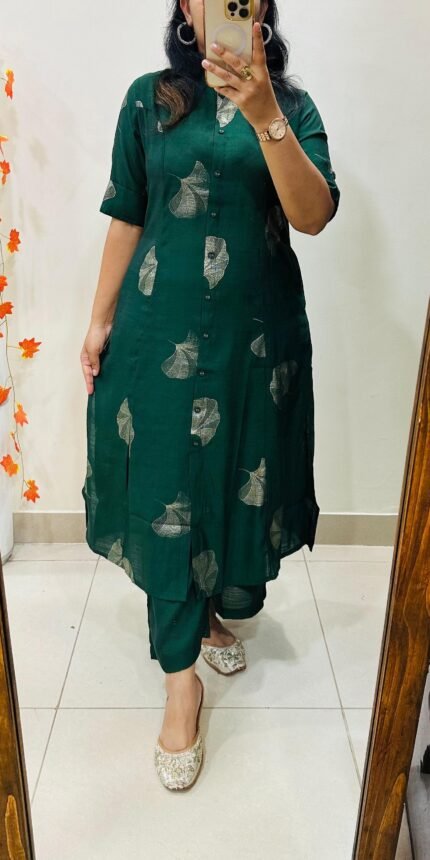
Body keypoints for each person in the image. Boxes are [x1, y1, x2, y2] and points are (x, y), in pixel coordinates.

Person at [80, 0, 340, 791]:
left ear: (259, 11)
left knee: (232, 477)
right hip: (157, 334)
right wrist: (98, 320)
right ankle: (179, 681)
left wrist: (265, 117)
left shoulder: (292, 107)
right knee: (166, 490)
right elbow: (128, 213)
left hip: (254, 343)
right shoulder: (148, 99)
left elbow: (313, 215)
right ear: (186, 10)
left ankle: (211, 612)